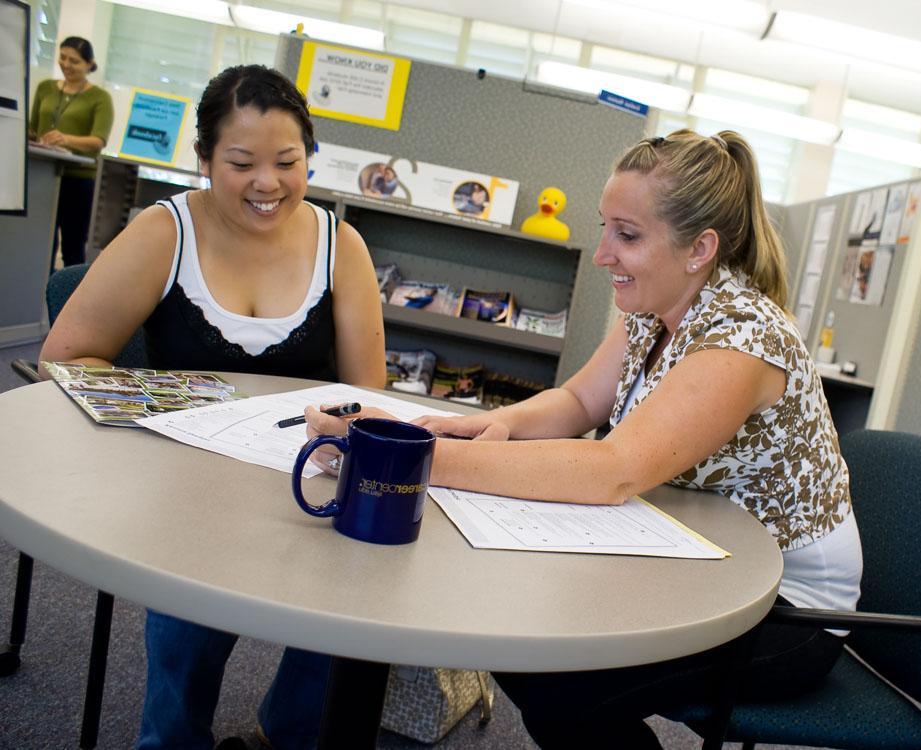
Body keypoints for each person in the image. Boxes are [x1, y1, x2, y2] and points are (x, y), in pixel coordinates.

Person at [306, 129, 862, 748]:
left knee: (555, 675)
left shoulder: (744, 336)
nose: (602, 255)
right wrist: (501, 425)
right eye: (606, 228)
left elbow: (613, 469)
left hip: (782, 605)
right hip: (699, 550)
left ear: (700, 248)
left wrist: (415, 458)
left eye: (627, 235)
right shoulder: (658, 305)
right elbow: (577, 401)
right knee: (532, 639)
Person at [40, 64, 386, 750]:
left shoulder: (340, 246)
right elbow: (66, 356)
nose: (269, 183)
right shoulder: (165, 231)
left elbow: (367, 398)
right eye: (241, 163)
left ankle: (280, 734)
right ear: (203, 160)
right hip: (187, 492)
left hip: (304, 490)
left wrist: (344, 423)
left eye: (289, 162)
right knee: (186, 638)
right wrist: (172, 402)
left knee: (348, 616)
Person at [28, 36, 114, 268]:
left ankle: (67, 300)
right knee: (38, 244)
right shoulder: (45, 88)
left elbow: (98, 141)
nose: (66, 65)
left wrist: (65, 139)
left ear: (89, 64)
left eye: (74, 61)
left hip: (78, 181)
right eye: (63, 58)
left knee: (73, 248)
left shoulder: (100, 98)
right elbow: (32, 128)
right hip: (41, 176)